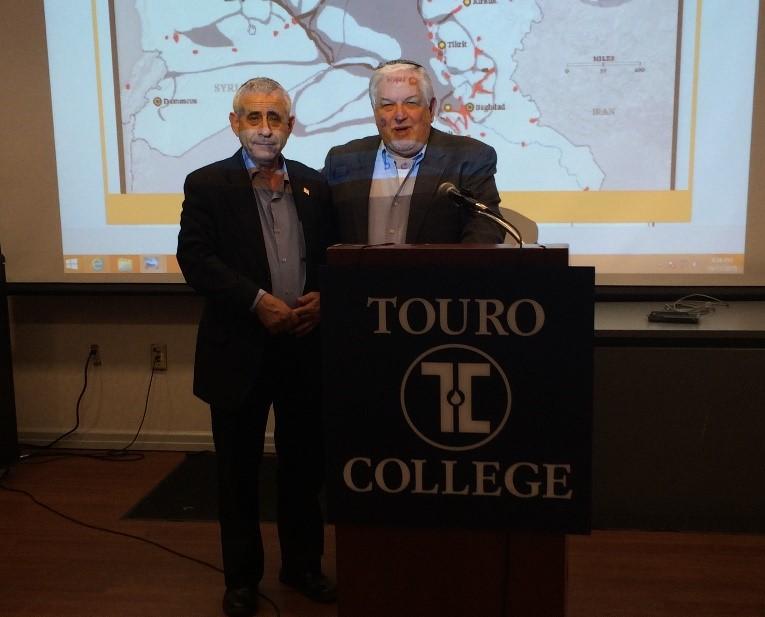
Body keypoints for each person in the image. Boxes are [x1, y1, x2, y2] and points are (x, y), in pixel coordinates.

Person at [177, 77, 335, 617]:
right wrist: (256, 301)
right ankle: (242, 580)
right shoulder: (207, 184)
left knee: (303, 469)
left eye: (275, 118)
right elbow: (196, 261)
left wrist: (325, 297)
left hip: (304, 346)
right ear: (234, 122)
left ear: (290, 125)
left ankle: (304, 566)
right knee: (238, 473)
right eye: (253, 117)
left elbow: (333, 257)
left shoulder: (316, 186)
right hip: (239, 350)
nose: (264, 128)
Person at [324, 59, 505, 245]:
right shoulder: (342, 161)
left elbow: (485, 234)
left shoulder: (469, 158)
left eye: (411, 103)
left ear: (431, 108)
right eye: (387, 105)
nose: (400, 115)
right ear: (375, 112)